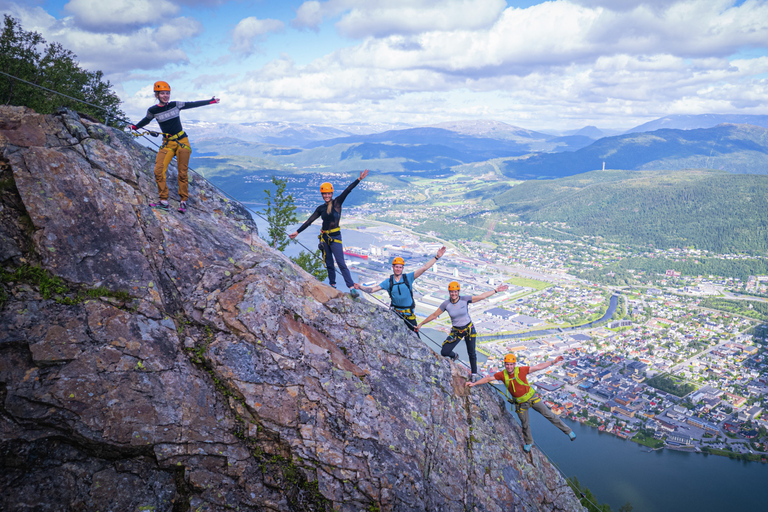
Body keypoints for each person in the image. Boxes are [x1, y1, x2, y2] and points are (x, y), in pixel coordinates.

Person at [131, 81, 220, 213]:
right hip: (167, 143)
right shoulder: (153, 110)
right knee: (158, 170)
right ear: (157, 94)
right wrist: (134, 127)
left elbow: (192, 104)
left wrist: (210, 101)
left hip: (182, 141)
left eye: (167, 93)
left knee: (182, 173)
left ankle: (183, 201)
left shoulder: (175, 105)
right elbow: (146, 120)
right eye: (162, 93)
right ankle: (163, 201)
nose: (166, 96)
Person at [466, 353, 576, 453]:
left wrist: (553, 362)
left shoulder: (522, 370)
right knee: (525, 424)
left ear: (514, 364)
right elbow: (488, 379)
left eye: (511, 364)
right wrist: (474, 384)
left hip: (532, 398)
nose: (509, 367)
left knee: (549, 415)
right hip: (520, 403)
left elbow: (538, 367)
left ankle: (568, 431)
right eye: (507, 364)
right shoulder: (502, 375)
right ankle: (529, 442)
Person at [289, 170, 369, 297]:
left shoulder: (337, 203)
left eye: (328, 193)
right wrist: (297, 232)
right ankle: (332, 286)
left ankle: (351, 287)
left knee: (341, 263)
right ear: (322, 194)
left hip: (335, 237)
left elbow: (348, 190)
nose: (326, 195)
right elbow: (309, 221)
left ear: (331, 193)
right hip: (324, 237)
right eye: (324, 194)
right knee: (329, 263)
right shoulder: (320, 208)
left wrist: (359, 179)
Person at [416, 281, 508, 380]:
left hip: (469, 329)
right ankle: (455, 355)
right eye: (452, 292)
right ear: (449, 292)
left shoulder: (465, 299)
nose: (454, 294)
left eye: (455, 292)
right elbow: (434, 315)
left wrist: (495, 291)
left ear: (458, 292)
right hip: (456, 331)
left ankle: (473, 373)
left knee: (471, 352)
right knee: (444, 351)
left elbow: (481, 296)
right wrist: (421, 323)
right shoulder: (446, 304)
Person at [354, 247, 447, 334]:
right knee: (392, 334)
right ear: (393, 267)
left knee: (415, 336)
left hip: (408, 314)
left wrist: (437, 257)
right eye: (396, 267)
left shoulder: (408, 277)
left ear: (402, 268)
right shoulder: (388, 282)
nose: (398, 269)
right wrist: (360, 287)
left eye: (400, 267)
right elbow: (373, 289)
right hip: (395, 313)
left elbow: (424, 268)